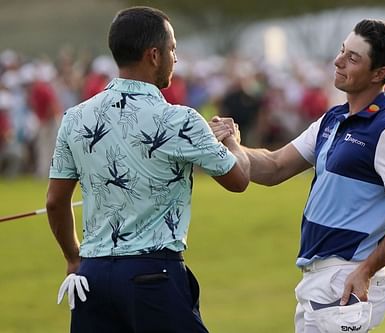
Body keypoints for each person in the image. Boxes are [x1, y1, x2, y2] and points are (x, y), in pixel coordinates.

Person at [211, 19, 385, 332]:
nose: (338, 61)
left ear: (379, 74)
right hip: (319, 280)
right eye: (342, 51)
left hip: (347, 275)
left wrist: (368, 269)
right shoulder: (332, 119)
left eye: (353, 58)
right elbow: (274, 166)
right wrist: (231, 145)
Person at [46, 6, 249, 333]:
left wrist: (74, 258)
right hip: (152, 277)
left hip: (91, 277)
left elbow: (55, 202)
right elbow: (239, 180)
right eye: (172, 49)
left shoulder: (75, 118)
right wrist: (233, 142)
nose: (175, 58)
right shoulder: (180, 119)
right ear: (153, 55)